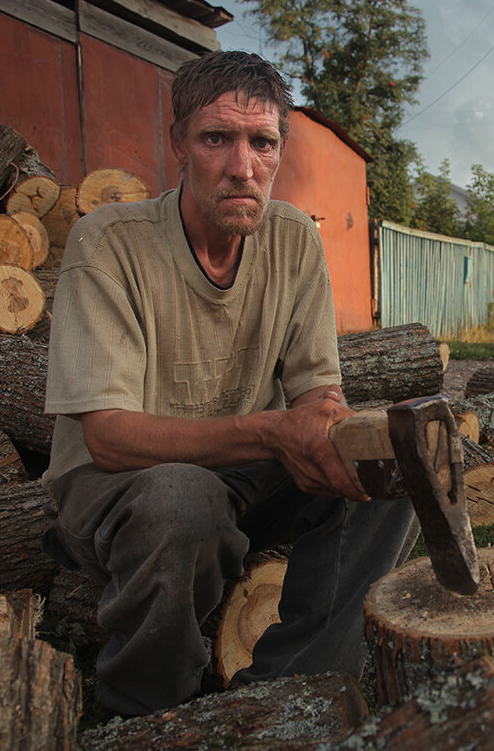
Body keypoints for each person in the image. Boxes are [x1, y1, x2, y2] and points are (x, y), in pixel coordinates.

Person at [40, 50, 415, 717]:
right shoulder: (108, 243)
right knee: (180, 498)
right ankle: (146, 712)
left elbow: (315, 394)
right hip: (117, 484)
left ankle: (282, 696)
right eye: (218, 138)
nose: (242, 166)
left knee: (388, 459)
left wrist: (329, 428)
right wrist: (273, 429)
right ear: (178, 143)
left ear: (278, 152)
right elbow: (108, 437)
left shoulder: (294, 239)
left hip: (239, 472)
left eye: (262, 142)